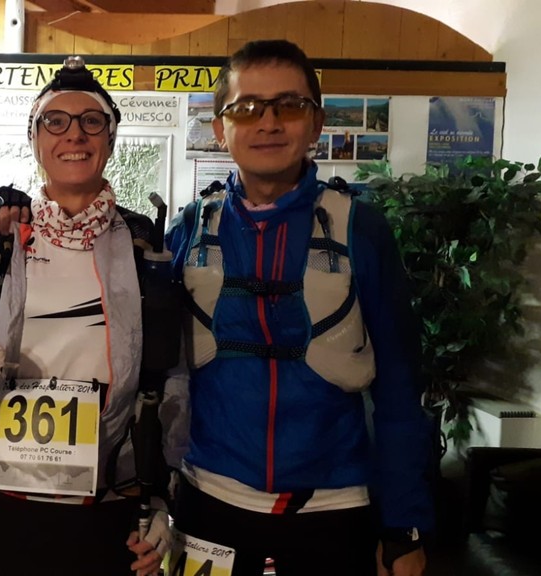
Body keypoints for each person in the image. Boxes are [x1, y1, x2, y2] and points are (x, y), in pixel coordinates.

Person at [165, 39, 433, 576]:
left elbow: (400, 386)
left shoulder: (361, 229)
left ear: (316, 124)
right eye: (247, 108)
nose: (268, 123)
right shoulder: (190, 230)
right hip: (208, 501)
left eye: (289, 105)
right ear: (220, 128)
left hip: (334, 510)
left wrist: (402, 527)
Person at [0, 56, 178, 576]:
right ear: (35, 139)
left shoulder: (143, 245)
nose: (75, 134)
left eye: (92, 121)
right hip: (9, 497)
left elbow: (171, 375)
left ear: (110, 138)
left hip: (112, 499)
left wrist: (163, 496)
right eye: (55, 121)